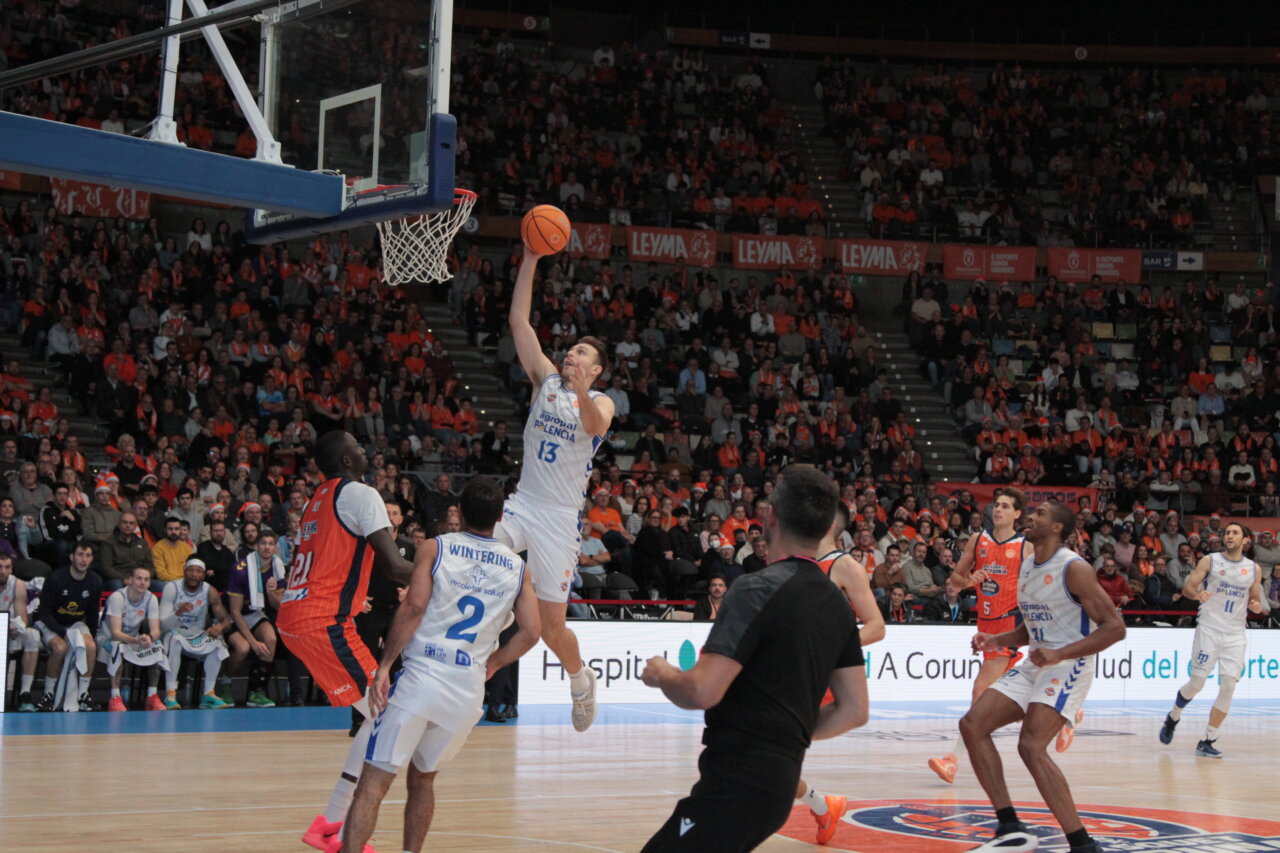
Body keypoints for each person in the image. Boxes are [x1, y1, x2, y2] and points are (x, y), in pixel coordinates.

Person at [638, 468, 869, 852]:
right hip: (778, 784)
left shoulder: (756, 588)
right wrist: (785, 735)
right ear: (829, 525)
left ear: (770, 517)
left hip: (738, 781)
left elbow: (702, 690)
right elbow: (855, 710)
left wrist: (662, 674)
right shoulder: (838, 605)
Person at [340, 477, 541, 853]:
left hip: (422, 676)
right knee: (423, 779)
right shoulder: (518, 568)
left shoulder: (436, 547)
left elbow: (414, 606)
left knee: (373, 782)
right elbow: (531, 633)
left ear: (459, 513)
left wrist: (384, 666)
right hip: (466, 689)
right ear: (499, 517)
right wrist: (492, 664)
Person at [274, 431, 415, 853]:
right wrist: (443, 570)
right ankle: (333, 824)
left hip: (302, 615)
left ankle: (331, 822)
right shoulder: (360, 494)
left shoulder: (321, 496)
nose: (366, 449)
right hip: (323, 619)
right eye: (357, 445)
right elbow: (393, 566)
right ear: (347, 459)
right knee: (386, 716)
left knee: (379, 717)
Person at [959, 501, 1125, 853]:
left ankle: (1082, 843)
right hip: (1039, 659)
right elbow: (1032, 626)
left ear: (1057, 529)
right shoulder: (1028, 564)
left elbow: (1115, 629)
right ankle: (1008, 824)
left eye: (1041, 513)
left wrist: (1061, 653)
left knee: (1031, 746)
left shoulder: (1073, 568)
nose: (1031, 516)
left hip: (1070, 662)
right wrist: (997, 639)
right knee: (972, 725)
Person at [496, 247, 615, 731]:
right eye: (571, 348)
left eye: (581, 352)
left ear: (596, 369)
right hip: (524, 504)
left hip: (562, 520)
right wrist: (528, 258)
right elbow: (519, 321)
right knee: (479, 551)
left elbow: (592, 422)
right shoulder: (544, 381)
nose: (571, 353)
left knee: (551, 627)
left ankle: (581, 677)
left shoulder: (602, 401)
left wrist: (582, 389)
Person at [797, 503, 886, 843]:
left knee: (772, 751)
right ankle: (824, 806)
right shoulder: (795, 560)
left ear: (830, 523)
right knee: (773, 755)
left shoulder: (845, 565)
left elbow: (877, 627)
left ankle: (824, 806)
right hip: (792, 666)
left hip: (821, 674)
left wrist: (836, 647)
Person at [930, 487, 1027, 784]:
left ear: (1017, 514)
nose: (998, 510)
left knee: (981, 689)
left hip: (1010, 624)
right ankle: (1065, 711)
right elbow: (954, 581)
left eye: (1006, 506)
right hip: (985, 624)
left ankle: (953, 759)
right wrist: (969, 580)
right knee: (1003, 697)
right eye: (996, 505)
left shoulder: (1027, 546)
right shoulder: (978, 540)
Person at [1158, 521, 1266, 758]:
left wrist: (1256, 604)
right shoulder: (1211, 560)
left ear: (1245, 540)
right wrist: (1198, 594)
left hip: (1235, 633)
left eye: (1235, 533)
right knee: (1197, 683)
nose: (1229, 536)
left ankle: (1208, 739)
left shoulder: (1254, 569)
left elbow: (1254, 598)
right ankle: (1174, 715)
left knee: (1228, 686)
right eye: (1227, 532)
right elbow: (1188, 588)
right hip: (1209, 628)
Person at [34, 541, 103, 711]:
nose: (83, 559)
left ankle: (83, 695)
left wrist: (91, 634)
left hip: (75, 623)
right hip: (51, 622)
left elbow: (93, 614)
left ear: (92, 559)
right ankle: (48, 695)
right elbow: (44, 612)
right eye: (80, 554)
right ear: (72, 557)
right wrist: (61, 632)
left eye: (87, 556)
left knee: (91, 646)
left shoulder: (95, 580)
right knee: (59, 648)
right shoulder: (55, 577)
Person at [221, 529, 285, 708]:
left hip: (255, 612)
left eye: (271, 544)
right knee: (243, 648)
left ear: (275, 547)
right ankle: (224, 683)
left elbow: (276, 606)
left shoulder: (277, 567)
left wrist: (271, 592)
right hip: (233, 616)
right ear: (256, 547)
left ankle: (256, 692)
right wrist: (253, 641)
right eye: (263, 543)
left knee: (271, 639)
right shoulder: (241, 569)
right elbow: (235, 610)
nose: (267, 547)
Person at [160, 556, 233, 710]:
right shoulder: (172, 588)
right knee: (175, 639)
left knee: (218, 643)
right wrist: (178, 613)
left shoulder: (209, 591)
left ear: (204, 575)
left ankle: (208, 694)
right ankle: (170, 693)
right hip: (172, 633)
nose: (194, 574)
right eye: (191, 570)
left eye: (198, 572)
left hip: (196, 635)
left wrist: (219, 627)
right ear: (184, 572)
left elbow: (226, 620)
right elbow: (163, 624)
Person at [98, 565, 166, 711]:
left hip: (132, 639)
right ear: (130, 580)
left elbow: (156, 631)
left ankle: (152, 696)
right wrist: (136, 641)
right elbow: (115, 632)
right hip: (106, 638)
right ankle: (115, 697)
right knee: (117, 646)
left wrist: (150, 638)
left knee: (158, 646)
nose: (142, 582)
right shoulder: (118, 597)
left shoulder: (151, 598)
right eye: (139, 578)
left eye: (146, 580)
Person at [1, 552, 43, 711]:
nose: (3, 571)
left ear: (12, 569)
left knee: (32, 635)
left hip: (8, 631)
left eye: (7, 567)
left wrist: (16, 627)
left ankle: (24, 693)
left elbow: (23, 618)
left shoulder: (17, 585)